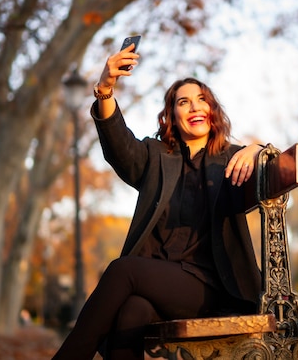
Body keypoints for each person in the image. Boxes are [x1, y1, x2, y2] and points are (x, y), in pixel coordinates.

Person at [52, 42, 264, 360]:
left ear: (212, 111)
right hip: (161, 282)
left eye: (201, 100)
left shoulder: (232, 159)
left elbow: (277, 164)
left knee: (123, 270)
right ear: (171, 116)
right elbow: (119, 146)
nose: (194, 108)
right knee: (132, 312)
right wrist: (106, 89)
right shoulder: (156, 156)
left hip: (214, 288)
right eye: (183, 102)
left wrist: (259, 148)